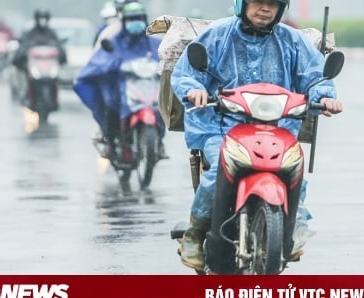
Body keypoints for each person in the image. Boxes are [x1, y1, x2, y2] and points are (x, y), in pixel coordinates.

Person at [170, 0, 342, 271]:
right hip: (221, 126)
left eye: (273, 4)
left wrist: (326, 97)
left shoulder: (292, 40)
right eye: (259, 2)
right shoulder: (218, 34)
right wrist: (194, 90)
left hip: (278, 127)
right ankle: (194, 233)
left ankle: (295, 222)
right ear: (242, 4)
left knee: (293, 169)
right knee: (217, 173)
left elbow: (316, 76)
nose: (266, 8)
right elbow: (186, 74)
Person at [73, 1, 167, 160]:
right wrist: (111, 66)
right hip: (119, 87)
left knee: (162, 107)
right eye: (131, 19)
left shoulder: (153, 42)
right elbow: (100, 58)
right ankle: (110, 142)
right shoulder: (112, 39)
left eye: (139, 18)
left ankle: (159, 142)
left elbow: (165, 55)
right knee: (111, 105)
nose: (135, 23)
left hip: (147, 86)